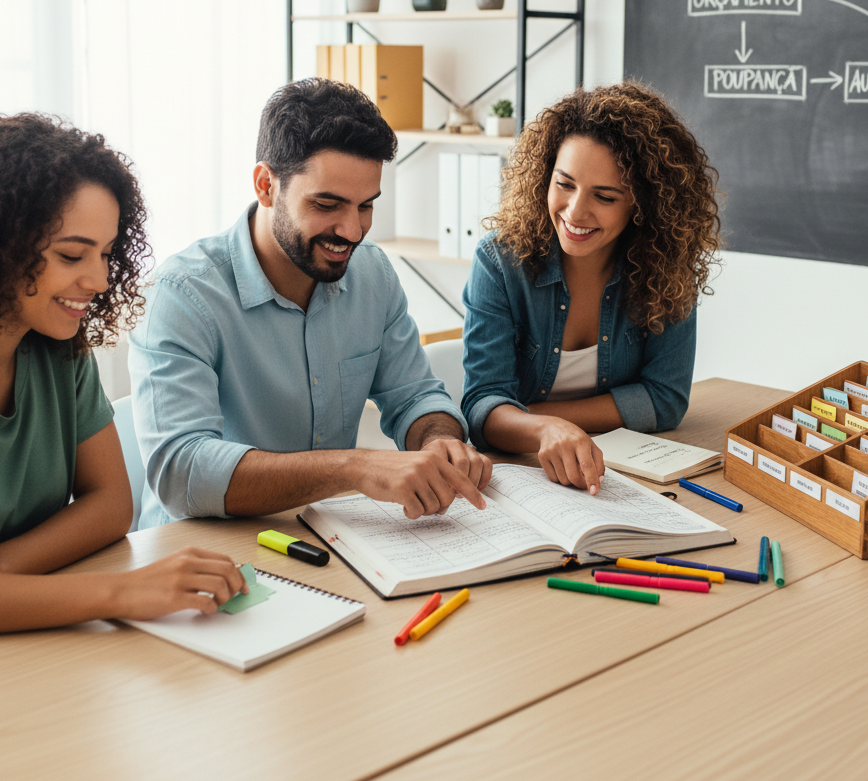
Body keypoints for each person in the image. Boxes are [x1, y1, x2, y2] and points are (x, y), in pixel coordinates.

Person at [129, 78, 492, 528]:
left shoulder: (373, 273)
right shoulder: (182, 295)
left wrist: (438, 440)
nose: (353, 231)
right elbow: (181, 473)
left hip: (328, 535)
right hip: (204, 547)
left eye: (366, 206)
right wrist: (354, 467)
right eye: (327, 204)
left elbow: (415, 395)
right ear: (266, 185)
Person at [0, 114, 248, 633]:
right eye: (71, 255)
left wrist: (3, 574)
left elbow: (111, 505)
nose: (99, 280)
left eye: (107, 254)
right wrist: (122, 592)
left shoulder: (61, 352)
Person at [462, 81, 721, 494]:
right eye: (565, 184)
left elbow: (665, 399)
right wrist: (544, 430)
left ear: (643, 204)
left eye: (605, 197)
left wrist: (541, 419)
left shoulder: (667, 267)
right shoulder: (499, 262)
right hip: (520, 474)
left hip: (618, 475)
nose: (575, 212)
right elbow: (482, 407)